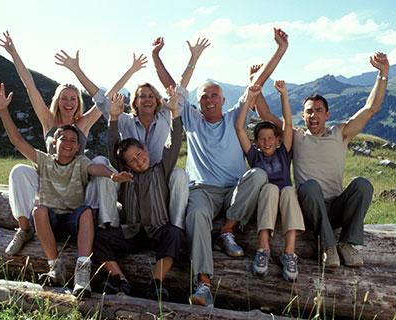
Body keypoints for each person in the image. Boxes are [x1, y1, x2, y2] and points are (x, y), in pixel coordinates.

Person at [154, 28, 289, 306]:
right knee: (196, 216)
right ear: (199, 102)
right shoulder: (192, 119)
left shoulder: (234, 116)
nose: (209, 100)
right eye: (204, 96)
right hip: (202, 190)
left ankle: (227, 230)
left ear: (224, 100)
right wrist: (156, 57)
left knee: (258, 175)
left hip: (235, 191)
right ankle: (203, 284)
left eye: (214, 95)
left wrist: (279, 50)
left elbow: (259, 81)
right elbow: (172, 90)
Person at [0, 83, 133, 298]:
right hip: (51, 222)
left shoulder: (81, 161)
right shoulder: (44, 160)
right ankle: (54, 267)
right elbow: (17, 140)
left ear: (78, 147)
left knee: (86, 212)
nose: (68, 143)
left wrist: (112, 175)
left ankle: (82, 275)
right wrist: (2, 110)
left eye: (73, 140)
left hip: (74, 223)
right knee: (38, 210)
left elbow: (97, 167)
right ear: (53, 143)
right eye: (63, 139)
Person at [256, 52, 390, 268]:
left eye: (318, 111)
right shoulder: (296, 136)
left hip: (336, 207)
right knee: (309, 187)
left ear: (327, 115)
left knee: (363, 185)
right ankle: (328, 247)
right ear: (303, 116)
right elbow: (265, 115)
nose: (313, 115)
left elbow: (371, 108)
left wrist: (383, 74)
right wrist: (255, 84)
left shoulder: (341, 133)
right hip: (309, 209)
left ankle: (346, 243)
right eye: (309, 112)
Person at [0, 31, 117, 256]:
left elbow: (106, 100)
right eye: (64, 98)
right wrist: (14, 53)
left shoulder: (83, 123)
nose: (69, 102)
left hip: (76, 186)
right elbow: (30, 86)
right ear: (57, 101)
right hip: (49, 184)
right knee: (19, 171)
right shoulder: (48, 120)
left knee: (100, 161)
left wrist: (131, 70)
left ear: (78, 102)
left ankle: (103, 223)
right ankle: (24, 229)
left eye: (73, 98)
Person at [56, 45, 197, 230]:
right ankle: (109, 226)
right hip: (128, 183)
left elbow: (179, 92)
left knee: (179, 175)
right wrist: (77, 70)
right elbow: (100, 98)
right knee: (106, 173)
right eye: (141, 96)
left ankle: (176, 229)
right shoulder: (124, 120)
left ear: (156, 100)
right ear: (135, 102)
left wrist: (193, 58)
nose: (147, 99)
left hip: (159, 182)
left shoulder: (165, 116)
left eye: (150, 96)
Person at [92, 87, 184, 301]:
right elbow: (112, 145)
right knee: (98, 238)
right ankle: (120, 279)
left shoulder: (161, 169)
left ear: (146, 150)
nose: (138, 160)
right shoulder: (126, 176)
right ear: (126, 165)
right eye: (132, 160)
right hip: (131, 232)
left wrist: (175, 113)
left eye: (140, 155)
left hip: (157, 230)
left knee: (176, 234)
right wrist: (113, 117)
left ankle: (156, 282)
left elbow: (175, 141)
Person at [235, 78, 305, 282]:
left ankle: (289, 252)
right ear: (256, 142)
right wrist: (250, 98)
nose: (266, 143)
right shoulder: (254, 156)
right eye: (262, 139)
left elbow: (288, 124)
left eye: (270, 138)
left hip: (285, 200)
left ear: (277, 140)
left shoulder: (284, 152)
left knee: (290, 190)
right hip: (265, 200)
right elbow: (240, 128)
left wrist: (284, 94)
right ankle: (263, 247)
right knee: (270, 189)